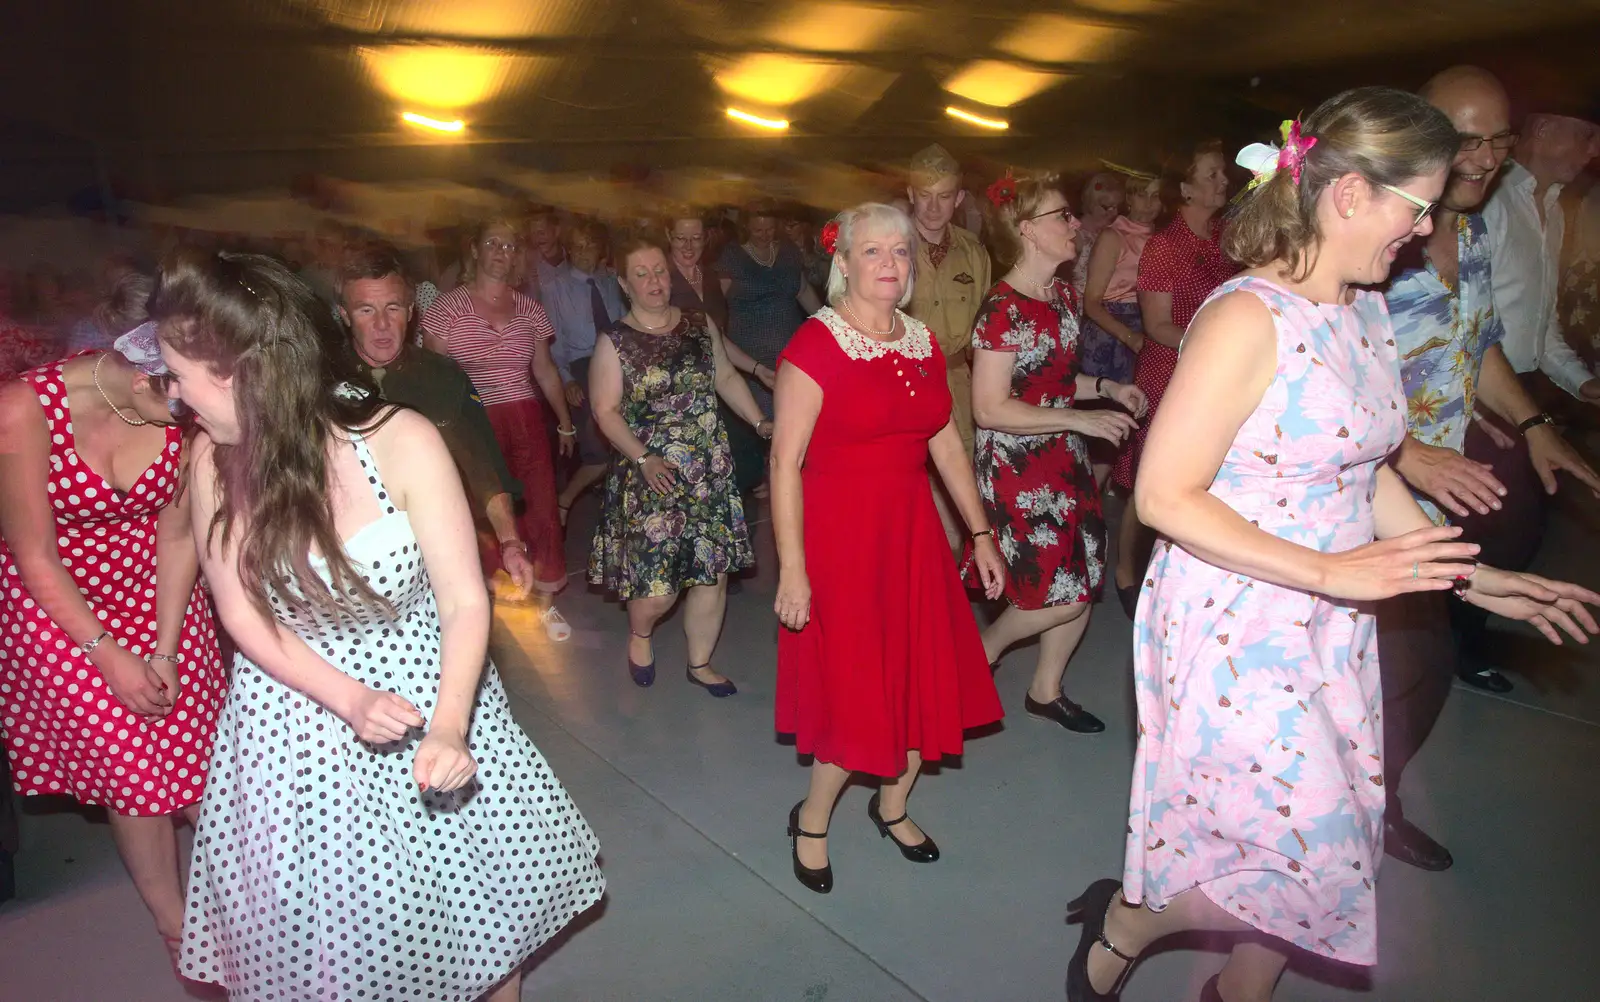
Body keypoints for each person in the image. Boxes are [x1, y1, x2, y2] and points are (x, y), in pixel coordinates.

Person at [1066, 88, 1600, 1002]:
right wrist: (1328, 569)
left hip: (1333, 616)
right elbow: (1160, 495)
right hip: (1238, 619)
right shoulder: (1246, 320)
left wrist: (1478, 579)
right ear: (1349, 194)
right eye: (1415, 203)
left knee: (1330, 844)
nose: (1425, 225)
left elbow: (1371, 474)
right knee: (1309, 843)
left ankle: (1238, 992)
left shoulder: (1364, 310)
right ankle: (1127, 921)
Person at [155, 249, 605, 1001]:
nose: (173, 398)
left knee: (478, 912)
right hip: (293, 711)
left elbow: (466, 601)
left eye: (183, 377)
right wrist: (348, 699)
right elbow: (239, 610)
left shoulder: (401, 440)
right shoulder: (210, 460)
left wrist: (451, 726)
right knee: (337, 941)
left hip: (434, 689)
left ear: (250, 373)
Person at [1380, 67, 1600, 871]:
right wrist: (1401, 449)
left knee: (1418, 674)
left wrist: (1535, 422)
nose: (1483, 156)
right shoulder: (1376, 241)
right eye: (1464, 137)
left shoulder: (1470, 235)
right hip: (1356, 495)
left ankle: (1370, 804)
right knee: (1405, 670)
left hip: (1436, 499)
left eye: (1497, 137)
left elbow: (1480, 345)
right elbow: (1314, 376)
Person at [771, 203, 1006, 894]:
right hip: (839, 544)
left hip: (910, 537)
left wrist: (979, 531)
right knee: (856, 690)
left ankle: (893, 804)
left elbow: (943, 440)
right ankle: (812, 820)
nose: (888, 264)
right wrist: (793, 569)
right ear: (841, 263)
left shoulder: (922, 341)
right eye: (871, 252)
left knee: (918, 678)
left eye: (899, 253)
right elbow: (785, 463)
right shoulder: (813, 348)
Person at [0, 320, 227, 972]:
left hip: (154, 590)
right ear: (141, 375)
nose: (192, 415)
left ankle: (255, 893)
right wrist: (107, 653)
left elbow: (178, 536)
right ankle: (176, 925)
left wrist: (162, 648)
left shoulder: (186, 407)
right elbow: (33, 554)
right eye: (178, 400)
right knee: (130, 761)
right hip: (57, 607)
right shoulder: (25, 407)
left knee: (195, 755)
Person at [969, 172, 1145, 735]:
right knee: (1058, 595)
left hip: (1062, 454)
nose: (1075, 225)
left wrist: (1107, 388)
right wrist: (1077, 417)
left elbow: (1057, 380)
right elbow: (990, 408)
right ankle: (978, 654)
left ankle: (1045, 691)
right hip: (1017, 465)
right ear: (1027, 231)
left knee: (1085, 575)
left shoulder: (1063, 295)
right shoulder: (1002, 309)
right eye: (1061, 217)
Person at [588, 237, 768, 695]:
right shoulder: (616, 340)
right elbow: (605, 411)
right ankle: (641, 633)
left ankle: (700, 662)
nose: (654, 281)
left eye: (659, 271)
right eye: (642, 274)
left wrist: (760, 421)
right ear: (625, 285)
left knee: (713, 571)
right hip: (652, 473)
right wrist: (644, 458)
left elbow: (724, 376)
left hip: (708, 467)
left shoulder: (697, 323)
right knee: (658, 589)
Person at [1464, 110, 1600, 681]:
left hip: (1522, 392)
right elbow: (1463, 320)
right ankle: (1456, 646)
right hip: (1477, 395)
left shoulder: (1553, 212)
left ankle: (1461, 639)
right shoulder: (1487, 202)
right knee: (1488, 532)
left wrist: (1587, 384)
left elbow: (1540, 334)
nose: (1593, 150)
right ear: (1544, 132)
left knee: (1515, 530)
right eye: (1586, 133)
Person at [335, 241, 540, 601]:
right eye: (366, 310)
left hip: (433, 560)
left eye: (393, 307)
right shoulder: (318, 381)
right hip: (347, 562)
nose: (382, 324)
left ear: (411, 310)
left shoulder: (443, 376)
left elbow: (483, 467)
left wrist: (510, 542)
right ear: (344, 314)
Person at [421, 218, 576, 642]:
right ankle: (493, 601)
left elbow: (544, 372)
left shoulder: (530, 309)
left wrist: (564, 424)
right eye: (493, 244)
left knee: (541, 509)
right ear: (475, 249)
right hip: (474, 422)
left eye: (510, 247)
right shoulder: (446, 308)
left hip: (526, 417)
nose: (502, 254)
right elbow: (435, 378)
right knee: (485, 515)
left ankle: (545, 604)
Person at [1111, 140, 1238, 617]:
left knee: (1207, 478)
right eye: (1210, 175)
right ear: (1184, 188)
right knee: (1154, 480)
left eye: (1222, 174)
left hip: (1220, 371)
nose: (1222, 182)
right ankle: (1126, 569)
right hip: (1171, 372)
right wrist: (1209, 342)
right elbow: (1157, 324)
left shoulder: (1228, 237)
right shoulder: (1165, 247)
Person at [904, 144, 995, 549]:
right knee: (905, 486)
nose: (934, 206)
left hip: (957, 381)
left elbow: (984, 330)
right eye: (925, 194)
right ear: (910, 194)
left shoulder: (973, 253)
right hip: (902, 380)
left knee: (959, 494)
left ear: (959, 199)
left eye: (944, 195)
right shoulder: (890, 248)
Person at [720, 200, 824, 496]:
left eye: (768, 228)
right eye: (757, 229)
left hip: (790, 347)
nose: (764, 234)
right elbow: (718, 301)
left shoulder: (788, 252)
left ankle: (788, 471)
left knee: (793, 411)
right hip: (749, 350)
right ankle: (769, 474)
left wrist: (827, 324)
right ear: (746, 228)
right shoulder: (733, 257)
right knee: (762, 415)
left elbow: (802, 290)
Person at [1080, 167, 1163, 485]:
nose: (1149, 203)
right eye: (1142, 194)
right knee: (1102, 429)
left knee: (1128, 426)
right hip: (1109, 335)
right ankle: (1085, 504)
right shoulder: (1113, 236)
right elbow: (1092, 302)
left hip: (1146, 329)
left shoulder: (1161, 239)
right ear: (1128, 198)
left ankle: (1094, 501)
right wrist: (1129, 336)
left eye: (1156, 195)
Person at [545, 219, 625, 523]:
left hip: (619, 363)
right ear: (567, 250)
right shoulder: (555, 288)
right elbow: (554, 343)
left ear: (599, 249)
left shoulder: (612, 280)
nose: (583, 252)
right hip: (583, 366)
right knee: (601, 448)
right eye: (576, 246)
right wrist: (566, 380)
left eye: (589, 245)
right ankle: (564, 501)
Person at [1068, 172, 1125, 295]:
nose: (1114, 212)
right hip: (1080, 306)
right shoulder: (1075, 235)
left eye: (1116, 206)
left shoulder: (1114, 232)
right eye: (1107, 207)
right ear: (1091, 202)